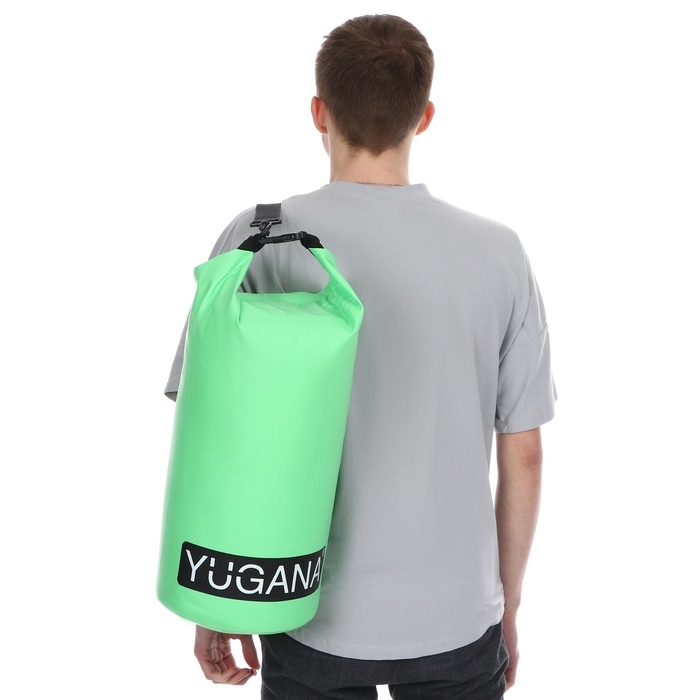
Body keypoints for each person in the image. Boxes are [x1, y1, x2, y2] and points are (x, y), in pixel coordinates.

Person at [164, 14, 556, 699]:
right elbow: (523, 452)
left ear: (319, 112)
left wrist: (220, 601)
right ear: (423, 117)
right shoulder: (499, 252)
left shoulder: (257, 240)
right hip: (456, 617)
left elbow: (215, 435)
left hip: (303, 604)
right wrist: (508, 608)